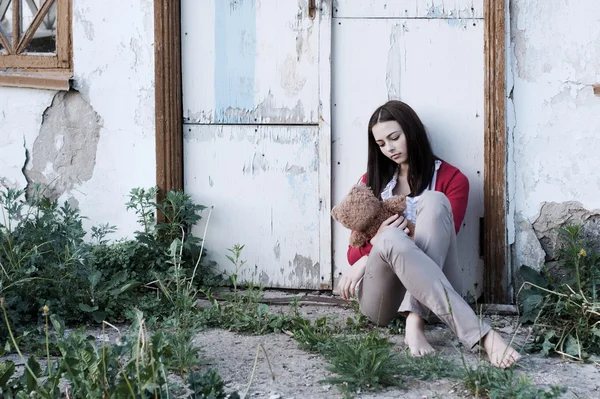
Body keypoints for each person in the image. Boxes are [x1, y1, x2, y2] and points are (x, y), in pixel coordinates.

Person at [337, 100, 520, 368]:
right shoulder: (372, 181)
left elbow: (441, 243)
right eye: (381, 143)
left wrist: (384, 244)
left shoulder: (453, 180)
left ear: (412, 131)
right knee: (388, 237)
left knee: (434, 201)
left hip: (438, 292)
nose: (389, 148)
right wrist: (375, 246)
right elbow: (353, 252)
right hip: (382, 300)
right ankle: (484, 336)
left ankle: (415, 318)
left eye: (394, 138)